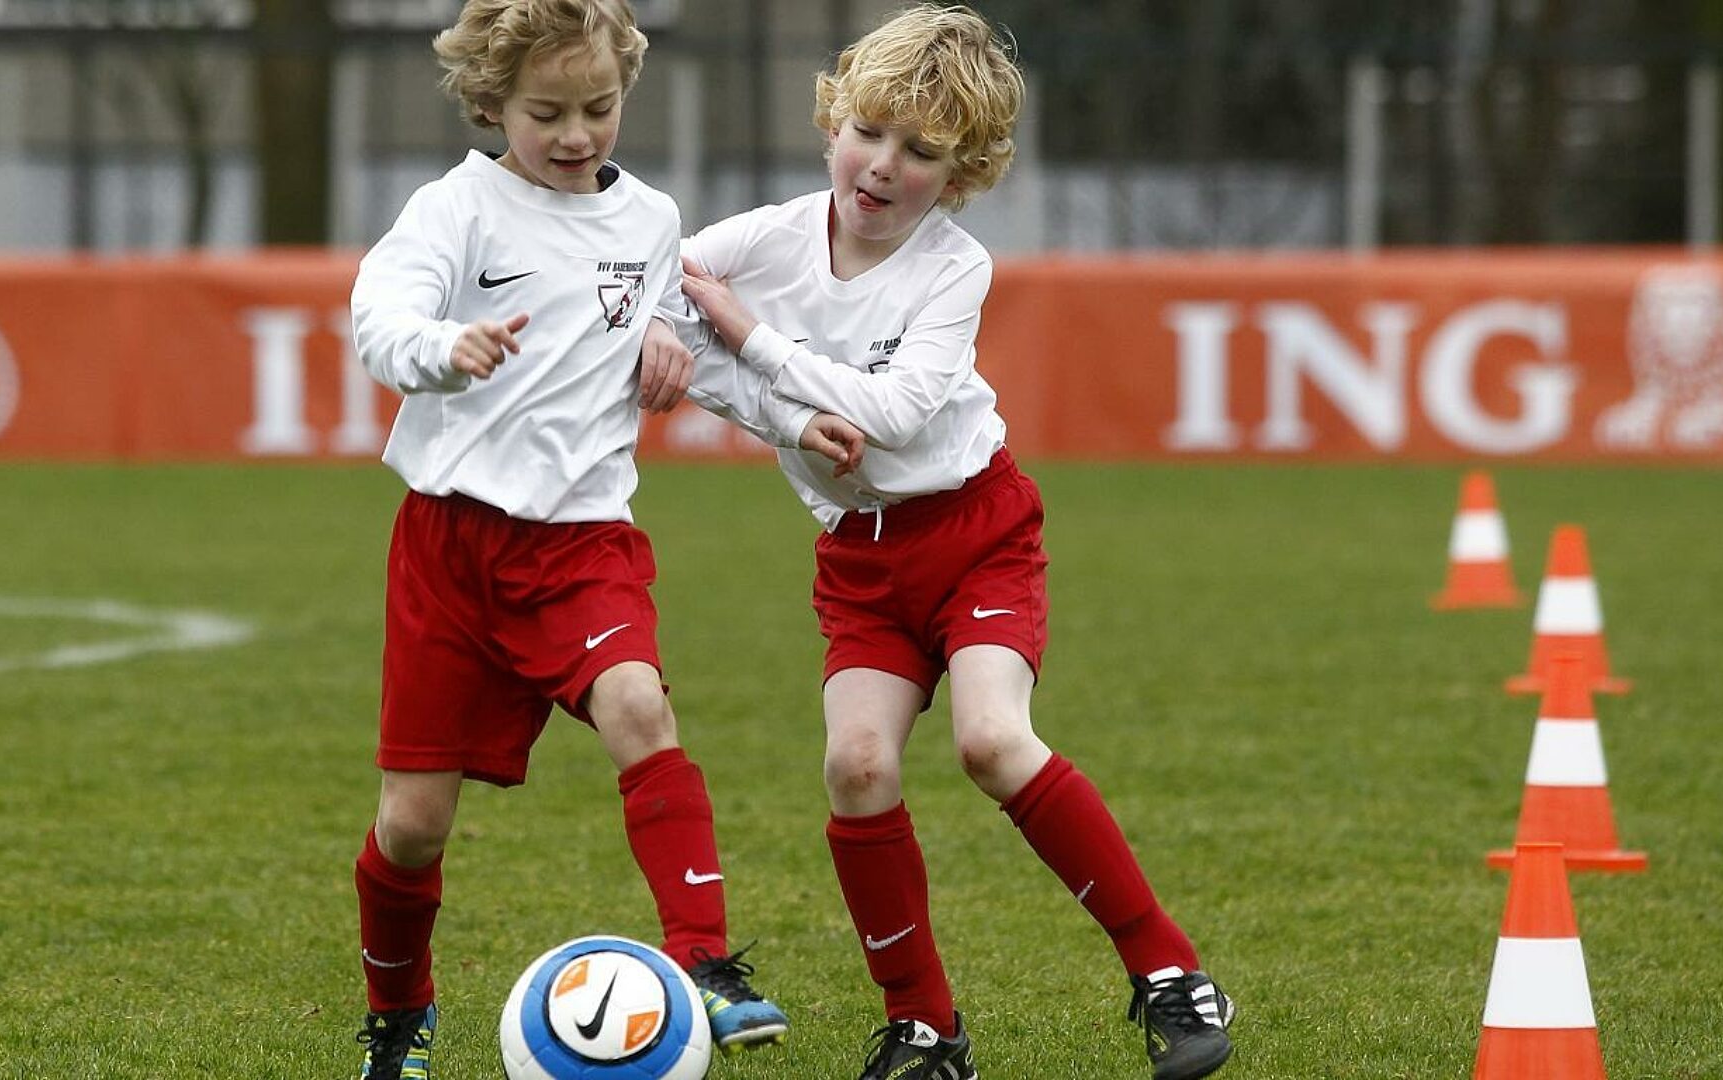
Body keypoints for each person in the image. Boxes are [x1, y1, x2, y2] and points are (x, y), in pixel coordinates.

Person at [657, 5, 1239, 1078]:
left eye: (921, 151)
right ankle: (925, 1030)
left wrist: (747, 334)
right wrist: (762, 396)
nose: (884, 165)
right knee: (856, 765)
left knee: (991, 742)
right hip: (861, 559)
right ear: (833, 122)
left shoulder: (952, 267)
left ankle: (1169, 972)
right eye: (869, 131)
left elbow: (892, 413)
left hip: (976, 533)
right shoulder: (765, 236)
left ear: (963, 174)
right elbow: (657, 304)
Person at [345, 2, 862, 1075]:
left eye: (599, 106)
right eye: (547, 113)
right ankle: (399, 1016)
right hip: (449, 551)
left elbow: (686, 351)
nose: (577, 134)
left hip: (584, 544)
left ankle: (708, 965)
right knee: (412, 826)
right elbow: (380, 322)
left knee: (639, 706)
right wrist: (446, 347)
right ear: (492, 103)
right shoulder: (454, 210)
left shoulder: (650, 222)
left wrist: (773, 406)